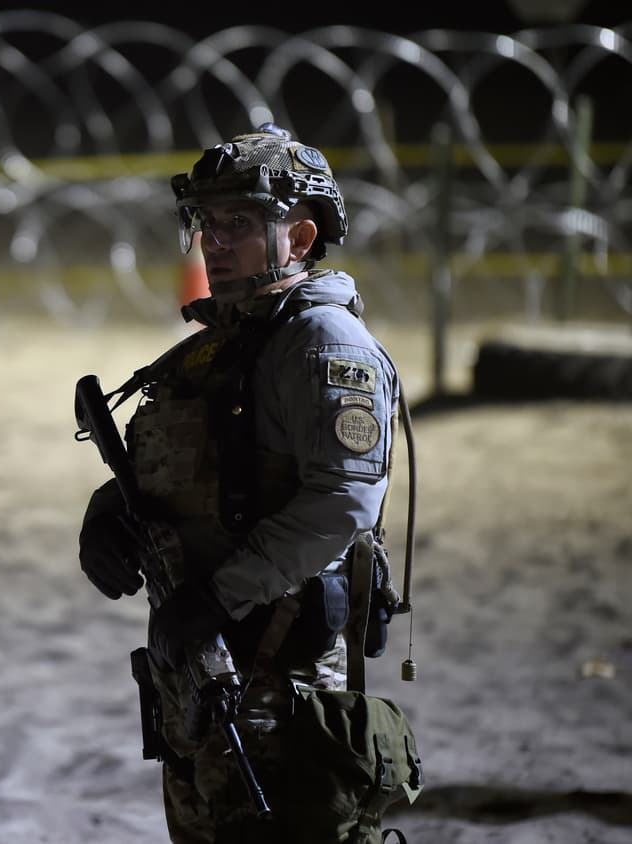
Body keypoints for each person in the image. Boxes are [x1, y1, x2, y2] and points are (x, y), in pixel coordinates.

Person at [78, 125, 412, 842]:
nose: (215, 243)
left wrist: (216, 599)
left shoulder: (322, 344)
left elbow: (344, 500)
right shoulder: (221, 342)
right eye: (207, 223)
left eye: (238, 224)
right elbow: (177, 463)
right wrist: (108, 515)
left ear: (298, 235)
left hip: (274, 663)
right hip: (200, 664)